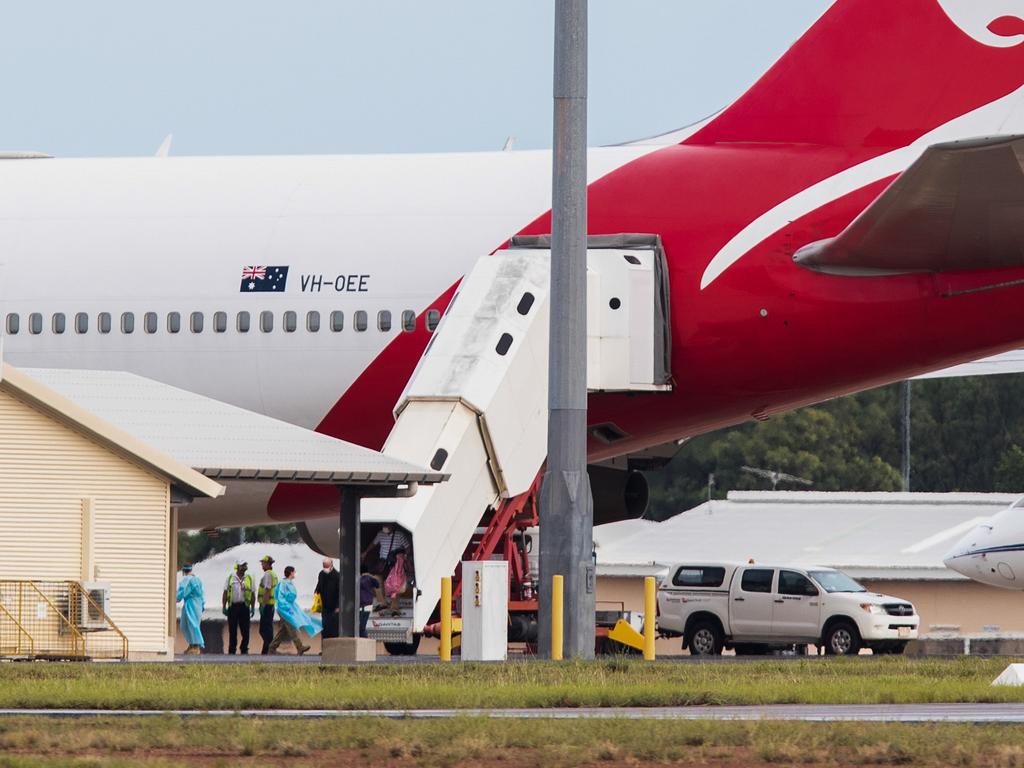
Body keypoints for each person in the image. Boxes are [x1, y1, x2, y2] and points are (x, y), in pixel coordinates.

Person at [269, 566, 322, 655]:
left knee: (284, 630)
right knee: (291, 627)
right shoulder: (283, 584)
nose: (295, 573)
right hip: (285, 609)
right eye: (294, 572)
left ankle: (272, 647)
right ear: (291, 573)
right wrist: (288, 610)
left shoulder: (289, 583)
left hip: (288, 608)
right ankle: (299, 646)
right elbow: (281, 598)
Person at [361, 524, 412, 609]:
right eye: (384, 525)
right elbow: (374, 543)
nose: (385, 527)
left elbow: (407, 547)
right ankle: (382, 603)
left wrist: (406, 556)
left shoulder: (399, 535)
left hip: (395, 564)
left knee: (395, 585)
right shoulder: (380, 534)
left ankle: (394, 606)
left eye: (387, 525)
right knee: (377, 581)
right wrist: (366, 552)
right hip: (383, 562)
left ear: (392, 526)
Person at [222, 560, 255, 655]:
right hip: (233, 606)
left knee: (245, 630)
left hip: (244, 606)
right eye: (243, 565)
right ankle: (232, 650)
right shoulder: (230, 578)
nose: (245, 567)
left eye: (245, 565)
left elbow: (252, 594)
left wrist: (252, 607)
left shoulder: (249, 578)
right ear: (238, 567)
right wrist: (224, 606)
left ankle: (244, 648)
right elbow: (225, 592)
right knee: (232, 630)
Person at [176, 564, 205, 655]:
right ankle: (192, 644)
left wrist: (175, 598)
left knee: (191, 625)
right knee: (187, 625)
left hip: (191, 604)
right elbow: (202, 594)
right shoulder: (198, 580)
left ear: (183, 571)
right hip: (198, 604)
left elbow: (182, 592)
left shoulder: (187, 579)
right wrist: (202, 605)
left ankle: (196, 646)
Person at [315, 558, 341, 639]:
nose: (325, 568)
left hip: (334, 607)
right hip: (324, 606)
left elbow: (340, 592)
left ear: (331, 565)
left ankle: (333, 648)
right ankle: (324, 648)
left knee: (333, 628)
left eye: (327, 566)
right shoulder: (321, 574)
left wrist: (338, 606)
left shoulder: (337, 575)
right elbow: (318, 587)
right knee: (325, 628)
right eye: (324, 566)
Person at [258, 555, 278, 655]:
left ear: (267, 564)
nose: (262, 565)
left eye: (263, 563)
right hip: (270, 604)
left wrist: (263, 605)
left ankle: (268, 649)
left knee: (264, 629)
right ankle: (268, 648)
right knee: (266, 628)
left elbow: (267, 590)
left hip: (267, 605)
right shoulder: (272, 574)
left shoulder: (268, 575)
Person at [359, 572, 378, 638]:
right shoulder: (369, 579)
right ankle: (365, 638)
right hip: (367, 605)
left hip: (362, 605)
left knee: (361, 626)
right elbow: (377, 585)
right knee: (362, 625)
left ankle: (365, 638)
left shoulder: (359, 579)